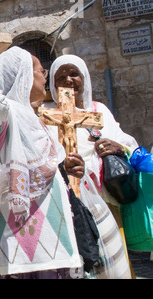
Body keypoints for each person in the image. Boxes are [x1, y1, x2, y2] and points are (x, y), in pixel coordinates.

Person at [0, 46, 83, 278]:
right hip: (16, 253)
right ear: (21, 74)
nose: (45, 76)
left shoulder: (30, 119)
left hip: (52, 247)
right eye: (39, 70)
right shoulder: (0, 119)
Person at [45, 54, 138, 278]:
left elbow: (128, 144)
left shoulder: (98, 111)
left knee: (112, 265)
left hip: (103, 202)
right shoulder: (45, 113)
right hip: (64, 205)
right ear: (52, 82)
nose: (68, 80)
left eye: (74, 74)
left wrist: (116, 146)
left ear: (84, 78)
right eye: (61, 76)